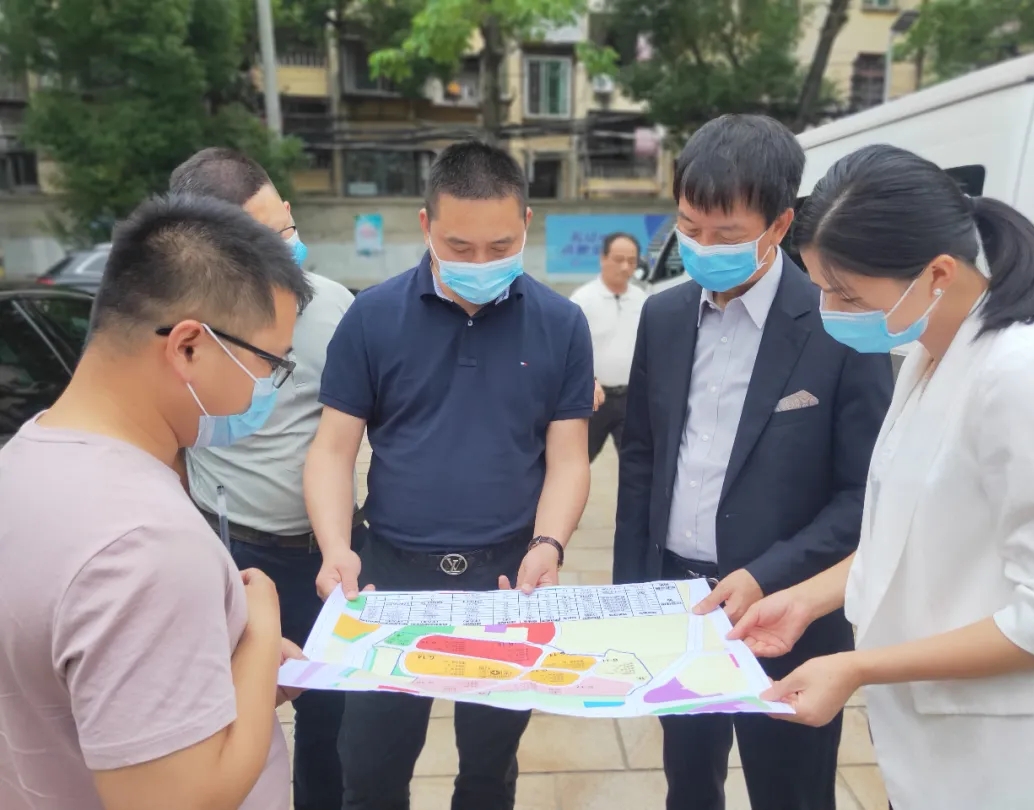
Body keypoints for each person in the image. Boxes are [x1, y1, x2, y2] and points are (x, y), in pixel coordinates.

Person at [729, 144, 1034, 810]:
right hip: (932, 752)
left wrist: (860, 666)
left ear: (938, 274)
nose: (830, 308)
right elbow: (905, 537)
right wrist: (806, 599)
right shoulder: (929, 354)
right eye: (822, 287)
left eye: (847, 294)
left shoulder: (1027, 375)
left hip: (1011, 765)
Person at [612, 115, 894, 810]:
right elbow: (641, 459)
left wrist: (768, 575)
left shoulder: (838, 323)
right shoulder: (664, 316)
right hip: (678, 603)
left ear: (779, 225)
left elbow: (865, 495)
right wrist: (629, 596)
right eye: (690, 228)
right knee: (688, 784)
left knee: (790, 791)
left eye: (727, 234)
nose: (704, 247)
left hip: (789, 614)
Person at [304, 140, 594, 810]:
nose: (480, 263)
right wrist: (335, 546)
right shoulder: (373, 316)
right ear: (426, 224)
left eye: (500, 246)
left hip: (506, 579)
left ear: (527, 223)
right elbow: (332, 450)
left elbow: (568, 458)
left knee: (489, 771)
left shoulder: (561, 324)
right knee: (370, 773)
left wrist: (548, 544)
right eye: (460, 247)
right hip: (388, 576)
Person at [0, 194, 312, 810]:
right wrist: (260, 628)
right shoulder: (144, 543)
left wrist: (238, 679)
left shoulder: (24, 461)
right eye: (268, 362)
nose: (267, 386)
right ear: (189, 346)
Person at [169, 148, 356, 810]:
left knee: (333, 724)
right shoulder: (179, 331)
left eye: (288, 228)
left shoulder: (335, 308)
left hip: (328, 558)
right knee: (228, 719)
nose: (288, 249)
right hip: (231, 553)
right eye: (264, 241)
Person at [570, 231, 647, 461]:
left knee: (636, 463)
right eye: (619, 259)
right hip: (592, 398)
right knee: (577, 460)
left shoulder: (643, 300)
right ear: (603, 258)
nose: (625, 267)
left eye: (632, 261)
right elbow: (569, 351)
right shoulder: (582, 300)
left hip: (631, 399)